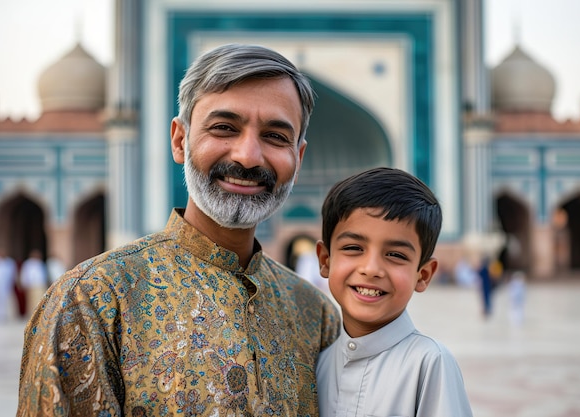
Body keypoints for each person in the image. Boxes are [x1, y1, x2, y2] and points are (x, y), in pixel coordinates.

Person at [18, 43, 341, 416]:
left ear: (297, 159)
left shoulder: (314, 314)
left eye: (275, 136)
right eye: (224, 128)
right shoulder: (93, 300)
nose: (248, 156)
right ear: (179, 140)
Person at [315, 167, 473, 417]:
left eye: (396, 255)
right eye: (354, 247)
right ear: (325, 260)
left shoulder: (429, 363)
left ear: (423, 275)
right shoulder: (317, 363)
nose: (371, 269)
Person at [19, 249, 48, 317]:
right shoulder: (28, 264)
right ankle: (32, 315)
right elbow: (24, 274)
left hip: (40, 285)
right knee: (31, 302)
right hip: (31, 286)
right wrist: (24, 284)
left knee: (40, 300)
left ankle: (40, 315)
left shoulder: (40, 263)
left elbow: (43, 274)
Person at [0, 248, 17, 321]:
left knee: (7, 300)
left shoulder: (10, 262)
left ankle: (6, 315)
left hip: (7, 284)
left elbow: (13, 273)